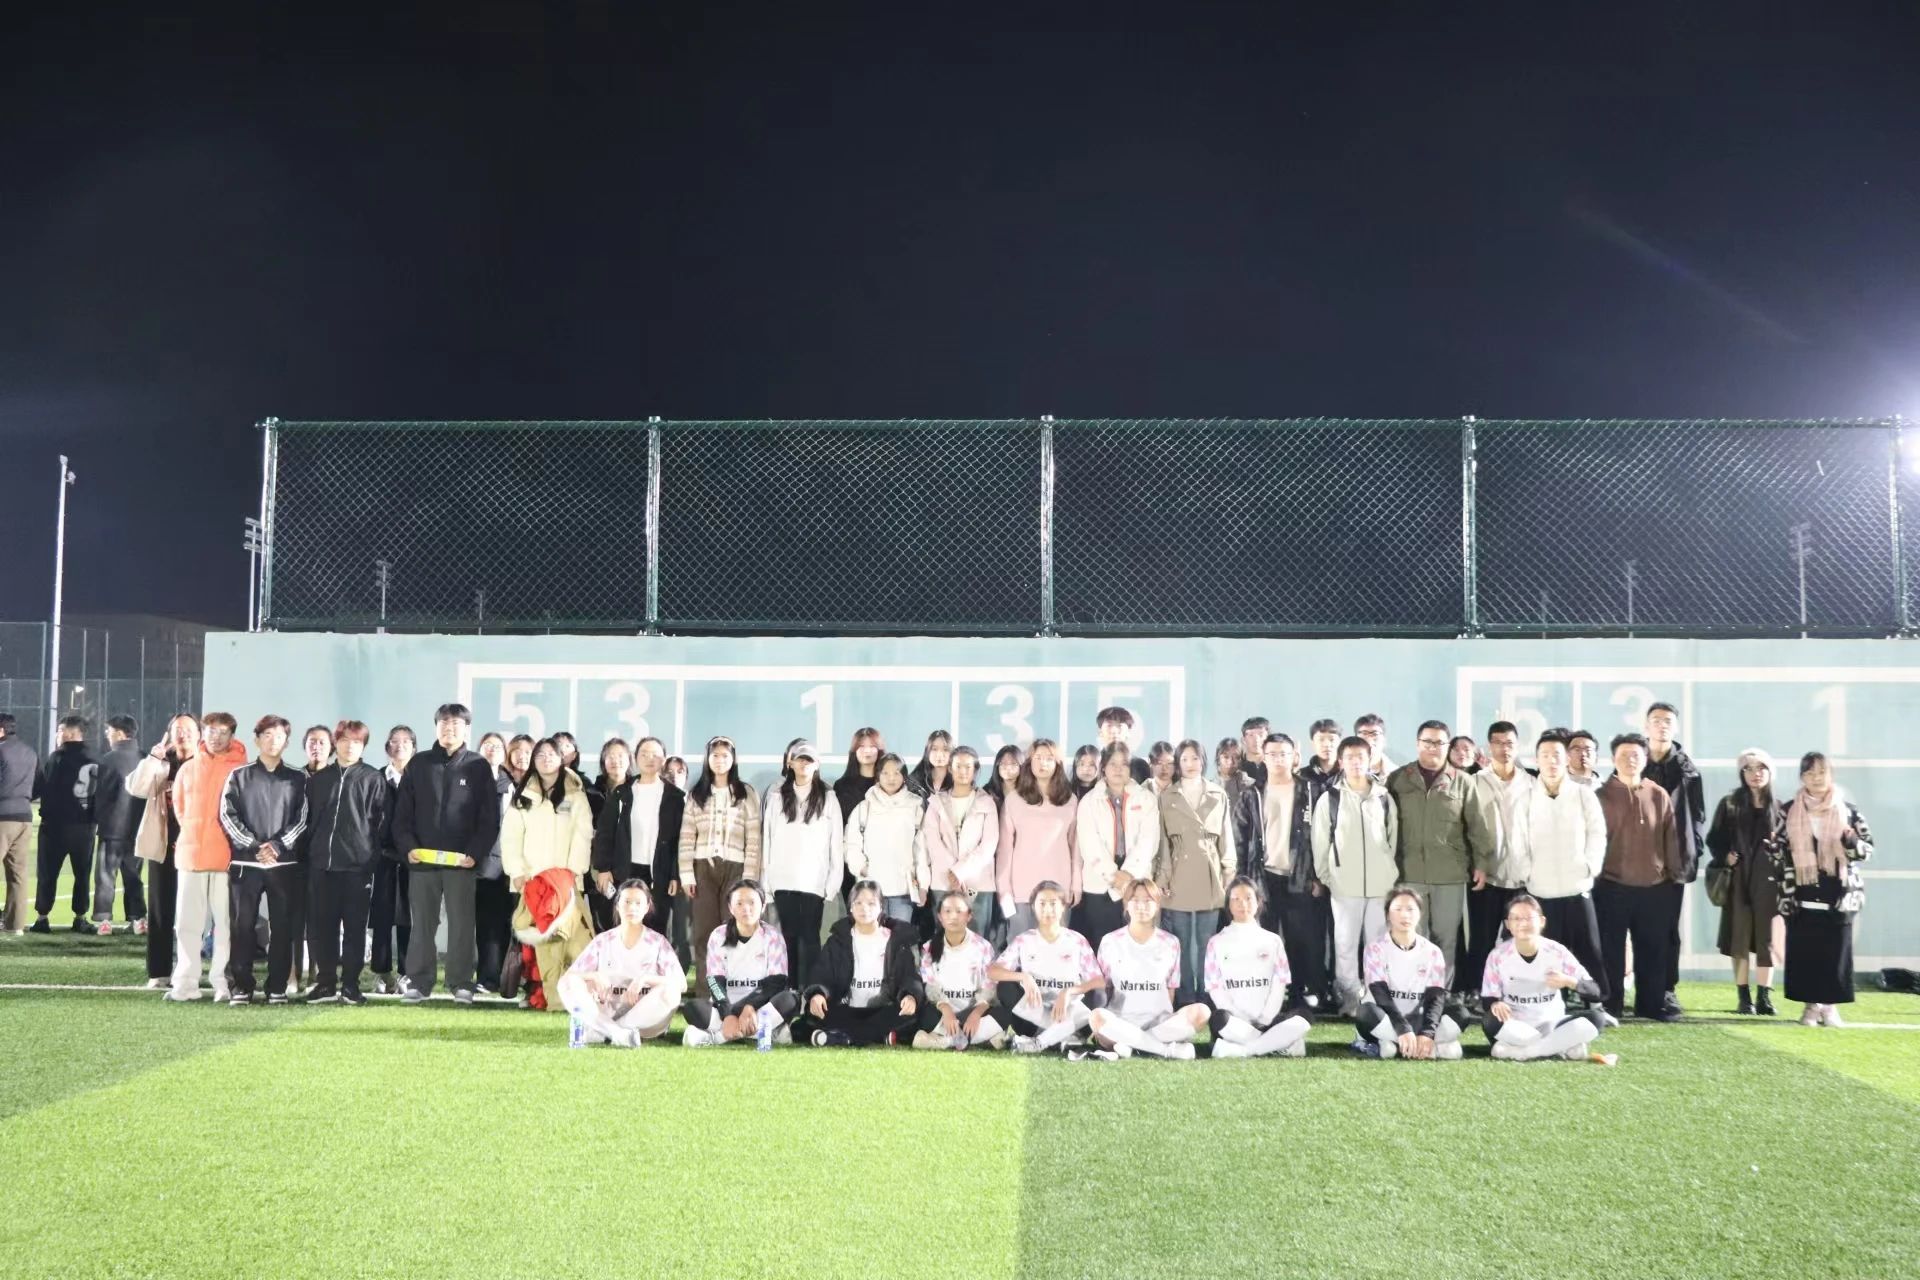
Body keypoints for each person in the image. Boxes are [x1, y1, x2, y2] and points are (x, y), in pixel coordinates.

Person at [392, 703, 501, 1004]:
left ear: (466, 729)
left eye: (455, 724)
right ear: (436, 727)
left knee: (462, 924)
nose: (449, 729)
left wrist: (474, 853)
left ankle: (461, 982)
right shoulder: (419, 764)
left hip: (462, 863)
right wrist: (409, 848)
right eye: (443, 723)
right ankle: (419, 981)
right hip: (422, 862)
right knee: (422, 924)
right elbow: (402, 815)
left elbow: (489, 819)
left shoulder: (478, 766)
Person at [1384, 720, 1494, 984]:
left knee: (1446, 938)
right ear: (1417, 744)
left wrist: (1481, 864)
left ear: (1448, 746)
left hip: (1450, 874)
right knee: (1411, 935)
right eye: (1427, 742)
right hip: (1409, 873)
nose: (1433, 747)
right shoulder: (1398, 779)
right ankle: (1411, 991)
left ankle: (1439, 993)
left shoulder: (1463, 782)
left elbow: (1477, 826)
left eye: (1439, 742)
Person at [1772, 753, 1872, 1028]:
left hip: (1838, 893)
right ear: (1802, 777)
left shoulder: (1848, 811)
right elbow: (1777, 850)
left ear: (1831, 776)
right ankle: (1810, 1007)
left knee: (1835, 952)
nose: (1816, 779)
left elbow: (1867, 850)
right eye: (1810, 773)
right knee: (1804, 953)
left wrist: (1851, 840)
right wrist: (1776, 849)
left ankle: (1830, 1007)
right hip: (1801, 891)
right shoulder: (1788, 810)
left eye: (1821, 773)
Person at [218, 715, 310, 1005]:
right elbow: (227, 814)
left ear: (287, 742)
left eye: (279, 736)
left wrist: (278, 846)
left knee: (282, 929)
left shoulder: (298, 778)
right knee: (242, 927)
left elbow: (302, 818)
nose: (273, 741)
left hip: (283, 866)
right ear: (256, 739)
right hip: (246, 865)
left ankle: (277, 987)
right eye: (267, 735)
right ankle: (242, 986)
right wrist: (254, 846)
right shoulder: (238, 776)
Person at [1512, 732, 1609, 1005]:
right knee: (1548, 952)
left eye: (1556, 755)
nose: (1551, 761)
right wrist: (1526, 872)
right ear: (1537, 760)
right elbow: (1517, 841)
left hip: (1577, 885)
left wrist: (1590, 866)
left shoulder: (1583, 795)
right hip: (1541, 889)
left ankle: (1596, 1001)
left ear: (1566, 759)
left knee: (1589, 949)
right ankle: (1554, 1004)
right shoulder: (1526, 798)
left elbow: (1597, 833)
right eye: (1545, 756)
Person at [1593, 732, 1682, 1022]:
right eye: (1624, 755)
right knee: (1611, 951)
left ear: (1645, 759)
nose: (1630, 760)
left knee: (1653, 949)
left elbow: (1671, 837)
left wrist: (1673, 874)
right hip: (1611, 885)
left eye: (1636, 755)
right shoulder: (1600, 796)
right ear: (1613, 759)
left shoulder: (1658, 794)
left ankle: (1651, 1005)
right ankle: (1611, 1005)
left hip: (1655, 886)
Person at [1312, 735, 1399, 1017]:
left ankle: (1376, 997)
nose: (1355, 762)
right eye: (1349, 757)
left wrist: (1388, 872)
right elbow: (1320, 843)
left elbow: (1392, 839)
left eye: (1360, 757)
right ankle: (1349, 998)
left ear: (1369, 759)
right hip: (1344, 885)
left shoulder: (1383, 797)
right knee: (1345, 944)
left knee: (1377, 944)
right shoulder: (1331, 798)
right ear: (1341, 762)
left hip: (1380, 885)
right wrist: (1329, 877)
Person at [301, 719, 387, 1004]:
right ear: (335, 743)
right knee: (322, 928)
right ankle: (325, 982)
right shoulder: (319, 779)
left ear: (363, 746)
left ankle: (351, 985)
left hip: (357, 869)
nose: (350, 746)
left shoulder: (373, 778)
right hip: (322, 867)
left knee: (354, 929)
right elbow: (307, 821)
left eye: (357, 742)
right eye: (345, 740)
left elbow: (381, 824)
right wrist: (311, 855)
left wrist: (369, 859)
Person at [165, 712, 248, 1003]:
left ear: (232, 736)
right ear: (203, 733)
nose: (216, 737)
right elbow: (180, 809)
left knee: (225, 925)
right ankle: (185, 984)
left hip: (227, 859)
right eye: (211, 731)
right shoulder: (188, 768)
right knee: (186, 925)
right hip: (191, 856)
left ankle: (222, 983)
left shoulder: (242, 770)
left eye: (223, 732)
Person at [500, 737, 594, 983]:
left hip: (565, 882)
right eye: (540, 755)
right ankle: (537, 991)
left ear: (562, 760)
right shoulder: (523, 795)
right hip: (531, 881)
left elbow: (583, 835)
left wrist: (574, 871)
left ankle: (571, 989)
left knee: (572, 941)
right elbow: (510, 837)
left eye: (551, 754)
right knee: (535, 943)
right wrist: (516, 872)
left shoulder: (576, 795)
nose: (545, 759)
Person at [1083, 880, 1210, 1060]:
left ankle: (1130, 1044)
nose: (1141, 906)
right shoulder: (1110, 941)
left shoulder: (1170, 942)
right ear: (1126, 905)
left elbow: (1170, 990)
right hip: (1121, 1021)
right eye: (1135, 900)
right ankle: (1166, 1050)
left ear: (1157, 905)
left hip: (1160, 1024)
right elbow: (1104, 988)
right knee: (1097, 1017)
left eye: (1148, 900)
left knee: (1202, 1012)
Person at [1481, 894, 1615, 1064]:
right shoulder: (1498, 955)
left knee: (1597, 1018)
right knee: (1490, 1020)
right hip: (1516, 1025)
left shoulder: (1557, 951)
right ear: (1508, 924)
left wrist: (1569, 981)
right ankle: (1557, 1046)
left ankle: (1526, 1052)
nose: (1523, 923)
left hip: (1553, 1024)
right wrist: (1495, 1004)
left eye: (1529, 918)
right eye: (1516, 918)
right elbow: (1488, 998)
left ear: (1542, 921)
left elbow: (1595, 991)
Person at [558, 879, 687, 1048]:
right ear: (617, 905)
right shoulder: (603, 941)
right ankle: (617, 1033)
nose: (632, 908)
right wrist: (593, 976)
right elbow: (569, 979)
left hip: (645, 1023)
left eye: (638, 903)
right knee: (567, 984)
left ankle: (610, 1032)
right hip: (607, 1013)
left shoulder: (657, 942)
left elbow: (681, 983)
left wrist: (645, 979)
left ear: (647, 907)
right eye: (627, 902)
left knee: (671, 992)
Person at [796, 878, 924, 1046]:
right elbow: (823, 972)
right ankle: (880, 1036)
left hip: (883, 1010)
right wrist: (818, 993)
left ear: (881, 907)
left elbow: (909, 975)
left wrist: (910, 996)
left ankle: (840, 1037)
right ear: (850, 907)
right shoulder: (839, 939)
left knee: (912, 1013)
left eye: (871, 903)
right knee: (814, 1011)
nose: (865, 908)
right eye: (858, 903)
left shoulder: (895, 940)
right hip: (846, 1010)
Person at [678, 735, 762, 988]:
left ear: (733, 759)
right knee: (704, 933)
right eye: (715, 755)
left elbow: (754, 838)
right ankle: (708, 994)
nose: (720, 760)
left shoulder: (746, 793)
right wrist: (686, 874)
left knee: (733, 931)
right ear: (707, 759)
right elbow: (687, 835)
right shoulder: (697, 794)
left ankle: (733, 992)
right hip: (703, 868)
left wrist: (750, 878)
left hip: (736, 870)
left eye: (725, 755)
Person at [1707, 749, 1786, 1016]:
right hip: (1739, 878)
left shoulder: (1780, 808)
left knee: (1767, 939)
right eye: (1749, 769)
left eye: (1761, 768)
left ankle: (1764, 997)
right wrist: (1725, 857)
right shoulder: (1730, 804)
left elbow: (1788, 846)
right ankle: (1744, 998)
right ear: (1742, 774)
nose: (1756, 774)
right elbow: (1714, 839)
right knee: (1739, 938)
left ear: (1770, 772)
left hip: (1769, 881)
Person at [1248, 733, 1324, 1009]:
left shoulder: (1311, 791)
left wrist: (1317, 875)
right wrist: (1246, 881)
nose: (1278, 759)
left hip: (1299, 876)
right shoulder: (1253, 793)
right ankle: (1267, 991)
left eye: (1284, 754)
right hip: (1263, 878)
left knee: (1300, 938)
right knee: (1265, 938)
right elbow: (1242, 837)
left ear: (1294, 757)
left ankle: (1300, 991)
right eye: (1272, 754)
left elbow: (1322, 837)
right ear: (1263, 757)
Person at [1154, 738, 1235, 996]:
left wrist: (1228, 873)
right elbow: (1163, 843)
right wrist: (1162, 879)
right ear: (1178, 763)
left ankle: (1207, 995)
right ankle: (1185, 995)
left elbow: (1226, 837)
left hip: (1210, 874)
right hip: (1178, 874)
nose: (1190, 764)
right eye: (1185, 759)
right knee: (1180, 941)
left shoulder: (1217, 794)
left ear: (1203, 761)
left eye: (1195, 758)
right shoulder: (1167, 796)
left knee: (1207, 941)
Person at [985, 881, 1105, 1054]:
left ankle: (1041, 1041)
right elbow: (992, 972)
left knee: (1097, 995)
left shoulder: (1076, 940)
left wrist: (1068, 992)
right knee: (1005, 987)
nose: (1047, 909)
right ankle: (1061, 1035)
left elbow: (1098, 981)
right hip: (1033, 1017)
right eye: (1042, 904)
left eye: (1053, 904)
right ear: (1033, 907)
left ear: (1063, 907)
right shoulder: (1024, 940)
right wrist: (1024, 977)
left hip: (1068, 1011)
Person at [1641, 702, 1706, 1018]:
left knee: (1667, 930)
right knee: (1636, 929)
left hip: (1672, 863)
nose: (1662, 725)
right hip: (1635, 861)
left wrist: (1692, 850)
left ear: (1676, 727)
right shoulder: (1633, 761)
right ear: (1646, 726)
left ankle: (1666, 990)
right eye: (1656, 720)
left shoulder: (1688, 770)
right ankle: (1639, 990)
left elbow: (1698, 815)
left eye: (1667, 720)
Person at [761, 739, 843, 988]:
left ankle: (811, 991)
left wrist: (833, 882)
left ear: (817, 765)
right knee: (787, 937)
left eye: (809, 760)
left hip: (813, 881)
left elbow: (836, 843)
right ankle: (790, 992)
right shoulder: (777, 796)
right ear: (790, 763)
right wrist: (766, 881)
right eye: (800, 759)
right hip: (782, 879)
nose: (804, 764)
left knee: (810, 939)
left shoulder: (828, 798)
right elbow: (767, 839)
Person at [682, 878, 799, 1048]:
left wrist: (749, 1006)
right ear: (730, 908)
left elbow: (775, 983)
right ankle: (764, 1032)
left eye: (752, 902)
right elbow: (715, 982)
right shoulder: (718, 935)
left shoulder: (773, 936)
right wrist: (728, 1013)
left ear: (763, 906)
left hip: (759, 1007)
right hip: (724, 1007)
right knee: (693, 1008)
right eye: (739, 903)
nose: (746, 908)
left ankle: (719, 1036)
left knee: (790, 1000)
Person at [1204, 875, 1312, 1058]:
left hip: (1267, 1021)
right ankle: (1278, 1044)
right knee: (1218, 1019)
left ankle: (1244, 1050)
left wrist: (1265, 1018)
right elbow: (1215, 988)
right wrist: (1240, 1018)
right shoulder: (1216, 942)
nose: (1243, 904)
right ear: (1228, 904)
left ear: (1259, 902)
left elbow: (1279, 984)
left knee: (1304, 1017)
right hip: (1234, 1023)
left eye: (1248, 898)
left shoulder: (1273, 940)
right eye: (1236, 899)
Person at [1354, 888, 1468, 1060]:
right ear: (1388, 914)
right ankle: (1419, 1046)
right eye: (1398, 909)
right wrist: (1402, 1029)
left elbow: (1435, 997)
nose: (1404, 915)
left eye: (1410, 909)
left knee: (1461, 1013)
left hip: (1417, 1019)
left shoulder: (1432, 951)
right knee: (1365, 1012)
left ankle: (1408, 1044)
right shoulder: (1375, 949)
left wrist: (1427, 1032)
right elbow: (1380, 994)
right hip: (1386, 1018)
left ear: (1420, 913)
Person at [126, 714, 197, 985]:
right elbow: (136, 788)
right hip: (164, 844)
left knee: (194, 912)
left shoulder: (204, 764)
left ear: (198, 734)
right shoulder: (161, 763)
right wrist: (153, 759)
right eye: (177, 729)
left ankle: (191, 970)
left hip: (196, 846)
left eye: (188, 729)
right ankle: (159, 971)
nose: (183, 734)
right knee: (160, 909)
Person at [1464, 720, 1532, 998]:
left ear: (1518, 746)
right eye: (1499, 743)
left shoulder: (1531, 783)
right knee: (1481, 938)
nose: (1505, 749)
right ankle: (1476, 990)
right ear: (1489, 746)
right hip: (1487, 875)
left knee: (1521, 939)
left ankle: (1518, 992)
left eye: (1510, 743)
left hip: (1523, 876)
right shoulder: (1475, 782)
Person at [591, 735, 681, 935]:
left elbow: (678, 841)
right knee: (622, 926)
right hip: (624, 870)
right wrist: (604, 868)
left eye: (655, 755)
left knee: (655, 928)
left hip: (659, 873)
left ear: (664, 760)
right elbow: (605, 832)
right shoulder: (622, 793)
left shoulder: (674, 797)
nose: (650, 759)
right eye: (644, 754)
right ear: (636, 758)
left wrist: (675, 875)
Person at [1072, 742, 1156, 948]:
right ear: (1103, 768)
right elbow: (1089, 843)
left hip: (1137, 883)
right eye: (1113, 764)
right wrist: (1113, 876)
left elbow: (1149, 840)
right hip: (1099, 885)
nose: (1118, 769)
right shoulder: (1089, 801)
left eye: (1124, 764)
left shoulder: (1146, 799)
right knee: (1103, 945)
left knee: (1137, 945)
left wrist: (1128, 874)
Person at [998, 739, 1079, 939]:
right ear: (1029, 762)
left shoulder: (1070, 800)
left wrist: (1076, 884)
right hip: (1021, 890)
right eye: (1038, 758)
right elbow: (1005, 850)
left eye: (1049, 758)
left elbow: (1076, 848)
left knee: (1057, 947)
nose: (1043, 763)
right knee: (1020, 946)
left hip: (1059, 889)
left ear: (1058, 763)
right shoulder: (1014, 800)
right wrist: (1004, 890)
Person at [31, 714, 97, 934]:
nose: (57, 735)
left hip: (55, 826)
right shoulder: (94, 758)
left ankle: (42, 918)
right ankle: (80, 917)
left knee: (47, 873)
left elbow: (45, 787)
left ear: (70, 733)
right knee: (82, 874)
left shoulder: (57, 758)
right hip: (84, 827)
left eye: (60, 730)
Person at [912, 891, 1003, 1050]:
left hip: (971, 1011)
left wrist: (976, 1013)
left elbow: (989, 988)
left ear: (969, 916)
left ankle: (945, 1040)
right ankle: (981, 1037)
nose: (953, 916)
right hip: (942, 1014)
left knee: (1004, 1013)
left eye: (959, 911)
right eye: (947, 911)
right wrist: (946, 1009)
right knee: (923, 1014)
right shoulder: (929, 948)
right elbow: (931, 987)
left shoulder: (983, 947)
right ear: (939, 916)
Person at [845, 752, 927, 926]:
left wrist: (923, 885)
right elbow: (851, 844)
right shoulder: (864, 808)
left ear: (904, 776)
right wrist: (862, 868)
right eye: (885, 773)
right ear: (878, 775)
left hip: (903, 891)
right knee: (871, 938)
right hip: (870, 890)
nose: (891, 778)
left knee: (899, 938)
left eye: (897, 773)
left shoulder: (915, 807)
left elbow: (921, 850)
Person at [922, 745, 999, 929]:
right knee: (944, 937)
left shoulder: (987, 802)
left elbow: (989, 844)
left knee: (977, 938)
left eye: (968, 767)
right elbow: (932, 840)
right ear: (950, 768)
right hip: (944, 880)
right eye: (958, 766)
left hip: (977, 882)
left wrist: (961, 871)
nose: (963, 771)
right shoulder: (936, 802)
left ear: (976, 770)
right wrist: (953, 873)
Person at [369, 725, 416, 995]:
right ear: (387, 747)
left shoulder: (421, 778)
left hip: (413, 857)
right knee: (382, 916)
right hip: (382, 857)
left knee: (409, 917)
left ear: (414, 748)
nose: (400, 746)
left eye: (406, 741)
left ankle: (406, 973)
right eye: (394, 741)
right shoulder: (376, 778)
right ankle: (381, 971)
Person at [90, 714, 147, 935]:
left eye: (109, 731)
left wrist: (99, 820)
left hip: (112, 828)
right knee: (134, 876)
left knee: (106, 876)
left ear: (120, 734)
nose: (107, 734)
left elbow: (100, 795)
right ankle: (138, 919)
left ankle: (104, 921)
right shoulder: (145, 758)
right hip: (138, 829)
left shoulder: (108, 759)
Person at [472, 732, 517, 991]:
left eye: (498, 746)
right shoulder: (471, 779)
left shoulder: (511, 783)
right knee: (486, 922)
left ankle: (504, 976)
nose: (492, 749)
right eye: (487, 745)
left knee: (506, 922)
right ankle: (487, 977)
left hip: (510, 862)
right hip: (481, 861)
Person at [833, 727, 884, 906]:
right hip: (851, 863)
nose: (867, 751)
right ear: (854, 751)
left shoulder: (888, 783)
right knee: (856, 911)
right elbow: (839, 827)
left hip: (883, 860)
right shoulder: (841, 786)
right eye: (861, 746)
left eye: (872, 746)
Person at [0, 712, 38, 934]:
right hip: (24, 817)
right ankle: (15, 925)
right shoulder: (30, 752)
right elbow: (38, 784)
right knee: (18, 874)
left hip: (2, 818)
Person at [1095, 705, 1150, 784]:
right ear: (1100, 732)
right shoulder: (1094, 763)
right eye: (1109, 726)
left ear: (1129, 732)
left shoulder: (1140, 765)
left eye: (1119, 726)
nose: (1114, 731)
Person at [908, 730, 955, 798]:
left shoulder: (958, 780)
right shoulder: (914, 781)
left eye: (945, 749)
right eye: (934, 749)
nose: (939, 755)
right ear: (927, 751)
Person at [1354, 713, 1391, 778]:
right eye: (1364, 734)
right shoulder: (1343, 773)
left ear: (1384, 741)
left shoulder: (1397, 775)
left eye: (1375, 734)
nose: (1369, 741)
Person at [1237, 718, 1271, 788]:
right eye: (1251, 735)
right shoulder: (1236, 767)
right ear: (1243, 740)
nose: (1256, 740)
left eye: (1261, 734)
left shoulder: (1276, 766)